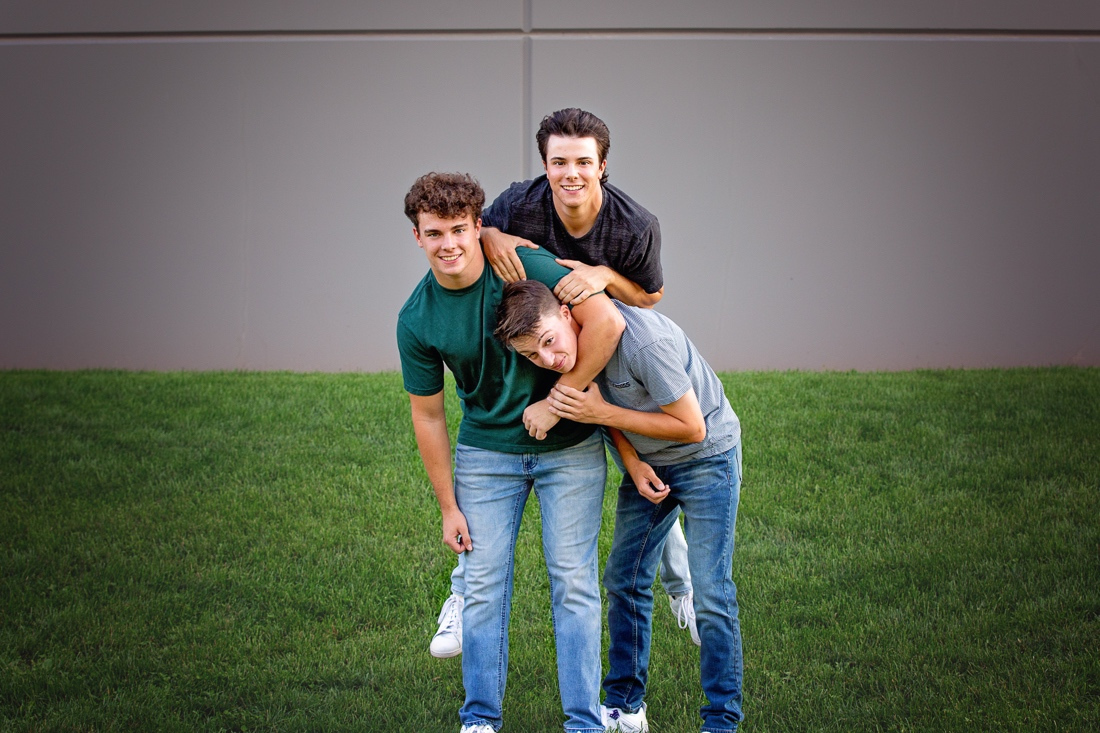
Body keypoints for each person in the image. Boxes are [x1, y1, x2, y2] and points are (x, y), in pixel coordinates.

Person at [431, 108, 698, 660]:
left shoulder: (633, 224)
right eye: (558, 162)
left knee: (642, 459)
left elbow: (650, 297)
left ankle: (683, 588)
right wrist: (497, 234)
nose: (569, 173)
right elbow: (476, 230)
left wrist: (602, 277)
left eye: (582, 161)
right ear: (544, 165)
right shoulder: (520, 202)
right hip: (548, 345)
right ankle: (461, 595)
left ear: (602, 166)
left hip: (611, 343)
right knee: (515, 459)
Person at [397, 172, 625, 733]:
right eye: (434, 233)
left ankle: (584, 723)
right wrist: (448, 505)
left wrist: (559, 400)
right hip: (485, 456)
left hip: (568, 449)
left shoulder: (520, 267)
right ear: (417, 237)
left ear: (480, 227)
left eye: (458, 229)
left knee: (573, 583)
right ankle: (479, 719)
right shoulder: (416, 319)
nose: (448, 244)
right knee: (482, 585)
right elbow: (427, 415)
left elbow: (606, 320)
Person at [495, 279, 744, 733]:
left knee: (711, 591)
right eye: (533, 356)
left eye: (549, 342)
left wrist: (599, 415)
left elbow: (692, 428)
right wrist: (631, 462)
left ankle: (721, 720)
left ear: (569, 315)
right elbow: (604, 406)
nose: (549, 361)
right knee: (624, 579)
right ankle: (624, 705)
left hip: (708, 459)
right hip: (648, 462)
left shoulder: (642, 344)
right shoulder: (570, 355)